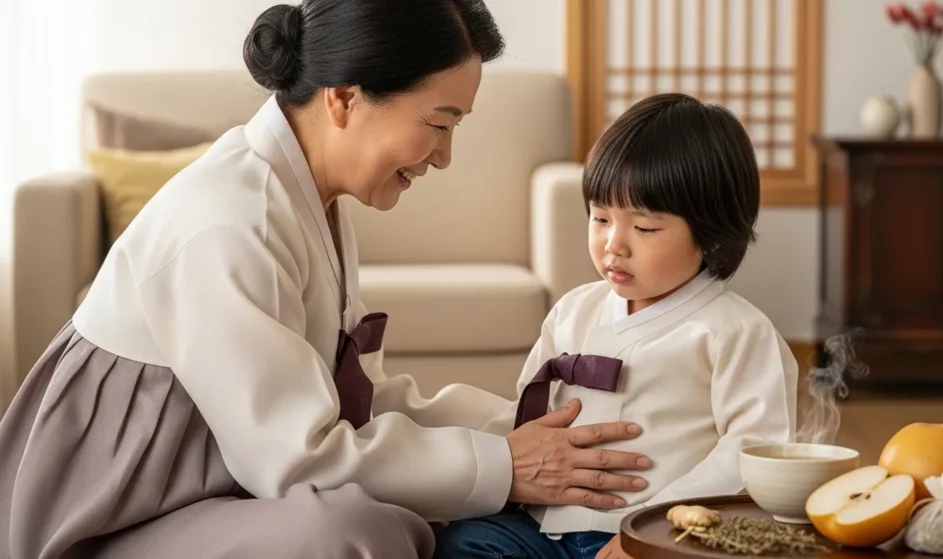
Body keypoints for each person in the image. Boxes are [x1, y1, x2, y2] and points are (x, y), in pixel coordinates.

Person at [0, 1, 655, 558]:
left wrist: (522, 426)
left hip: (211, 490)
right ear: (345, 98)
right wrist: (507, 465)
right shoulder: (233, 216)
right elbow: (294, 460)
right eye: (439, 124)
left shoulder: (311, 196)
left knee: (406, 512)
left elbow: (353, 397)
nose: (445, 156)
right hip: (110, 524)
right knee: (353, 532)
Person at [432, 93, 800, 559]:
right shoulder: (572, 310)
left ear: (711, 233)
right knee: (464, 544)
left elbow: (754, 451)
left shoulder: (735, 331)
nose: (614, 245)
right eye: (600, 218)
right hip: (545, 526)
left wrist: (654, 529)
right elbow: (528, 413)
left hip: (655, 536)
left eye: (643, 229)